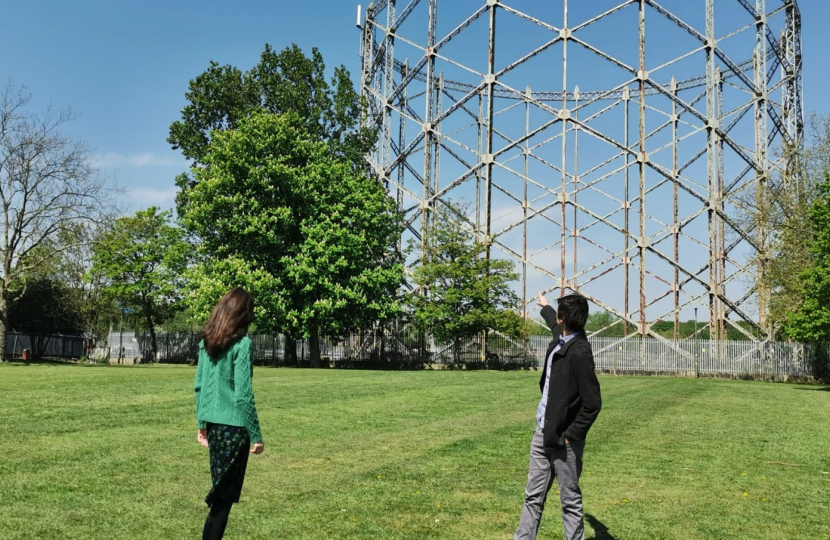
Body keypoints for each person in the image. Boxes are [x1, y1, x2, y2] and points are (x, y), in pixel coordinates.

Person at [514, 292, 602, 540]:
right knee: (533, 496)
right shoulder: (563, 338)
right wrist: (546, 307)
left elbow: (593, 403)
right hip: (542, 431)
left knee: (570, 500)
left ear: (565, 318)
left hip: (565, 440)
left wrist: (571, 436)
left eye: (559, 313)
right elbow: (554, 325)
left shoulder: (580, 353)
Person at [194, 287, 264, 540]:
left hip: (214, 427)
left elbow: (200, 388)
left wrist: (202, 424)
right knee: (222, 499)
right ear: (242, 314)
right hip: (234, 430)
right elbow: (243, 393)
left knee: (221, 497)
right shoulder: (242, 344)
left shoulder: (205, 343)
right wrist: (256, 435)